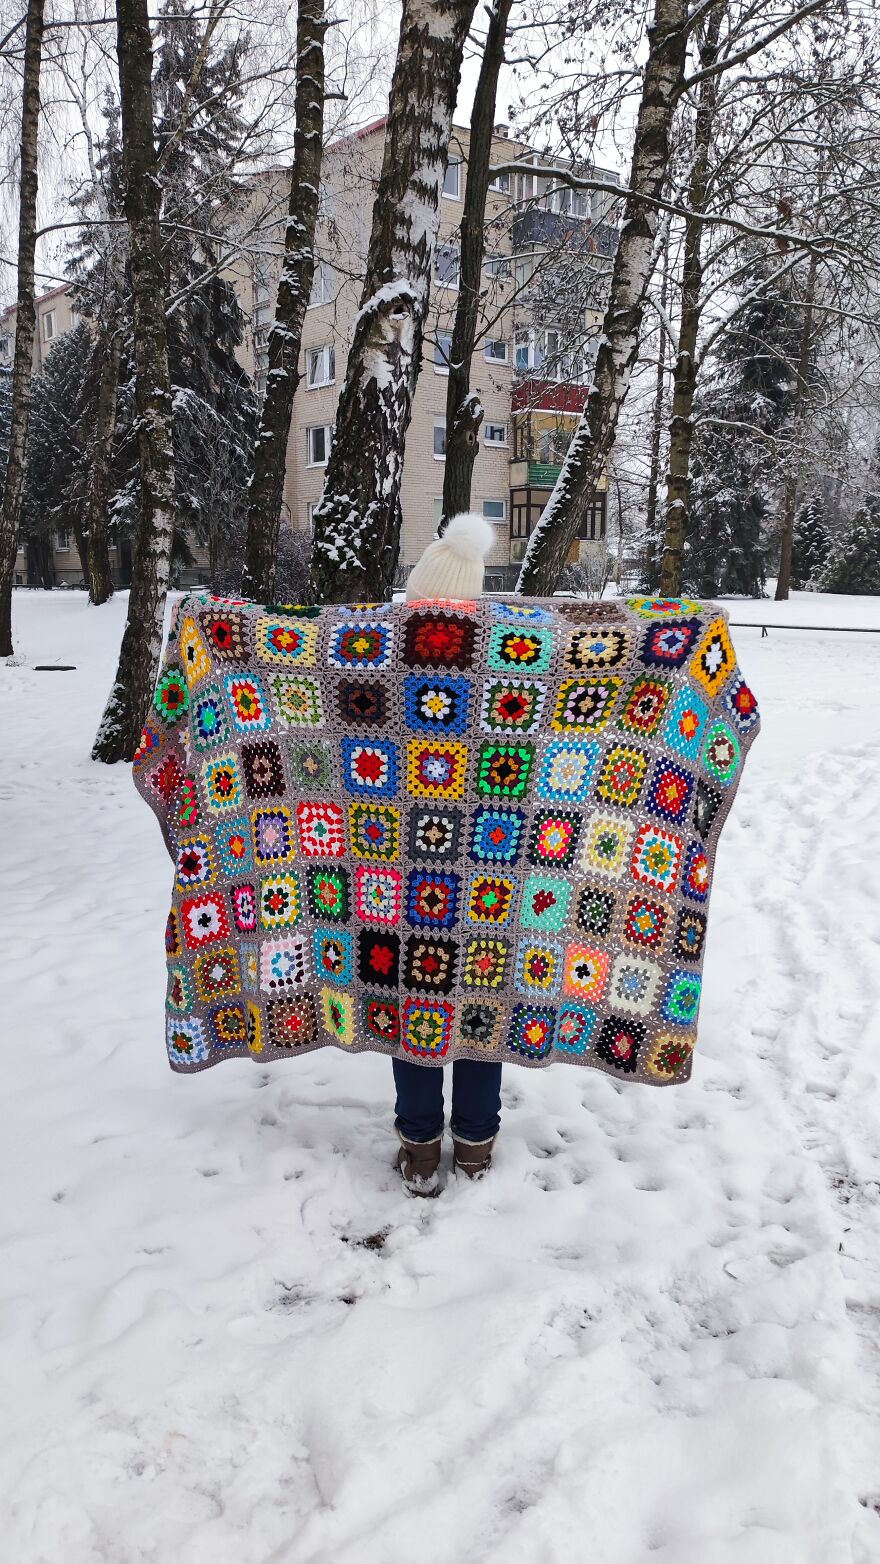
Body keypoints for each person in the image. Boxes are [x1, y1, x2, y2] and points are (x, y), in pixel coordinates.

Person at [395, 512, 500, 1196]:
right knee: (483, 1005)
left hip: (398, 877)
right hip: (494, 873)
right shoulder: (511, 658)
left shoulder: (373, 653)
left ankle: (421, 1146)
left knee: (414, 1004)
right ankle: (475, 1146)